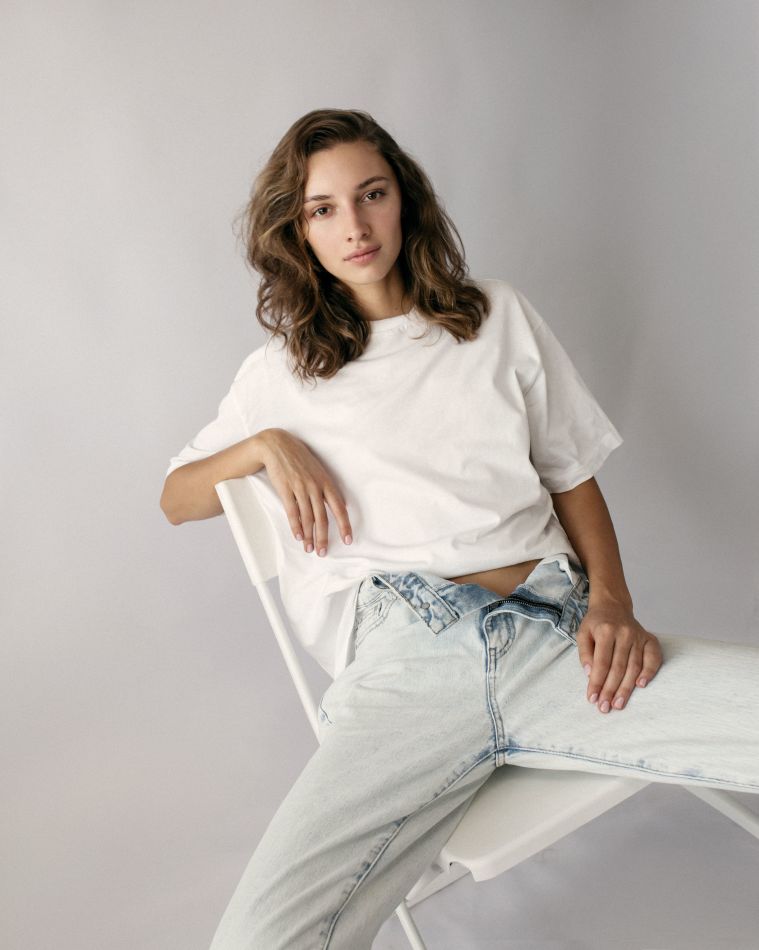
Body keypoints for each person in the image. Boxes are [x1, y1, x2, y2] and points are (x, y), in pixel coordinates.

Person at [160, 109, 759, 950]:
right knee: (261, 937)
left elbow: (571, 477)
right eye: (323, 209)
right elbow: (176, 498)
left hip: (561, 643)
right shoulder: (281, 374)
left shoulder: (496, 315)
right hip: (408, 670)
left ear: (403, 198)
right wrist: (261, 445)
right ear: (296, 231)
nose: (354, 225)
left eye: (371, 194)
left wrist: (612, 603)